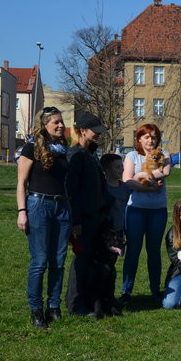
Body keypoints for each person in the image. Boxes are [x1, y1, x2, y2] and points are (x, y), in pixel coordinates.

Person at [16, 107, 71, 329]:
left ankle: (54, 307)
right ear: (44, 125)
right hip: (39, 205)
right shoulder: (31, 148)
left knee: (58, 262)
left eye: (61, 122)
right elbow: (21, 183)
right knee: (39, 262)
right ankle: (36, 310)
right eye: (55, 122)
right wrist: (22, 211)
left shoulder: (62, 148)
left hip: (62, 206)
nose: (60, 125)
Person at [65, 112, 113, 316]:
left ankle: (91, 300)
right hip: (82, 219)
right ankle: (75, 306)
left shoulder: (90, 154)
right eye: (96, 131)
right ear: (82, 131)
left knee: (91, 260)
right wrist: (75, 221)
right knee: (81, 261)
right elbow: (71, 191)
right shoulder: (75, 155)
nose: (99, 135)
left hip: (95, 217)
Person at [120, 124, 171, 306]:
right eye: (147, 137)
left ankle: (155, 291)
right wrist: (144, 182)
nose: (150, 140)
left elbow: (165, 172)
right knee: (133, 251)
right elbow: (126, 181)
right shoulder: (131, 156)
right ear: (139, 139)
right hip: (135, 209)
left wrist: (139, 176)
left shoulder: (164, 155)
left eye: (154, 137)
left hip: (157, 210)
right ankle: (126, 291)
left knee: (154, 252)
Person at [100, 153, 131, 247]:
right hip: (104, 229)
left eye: (122, 166)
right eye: (117, 167)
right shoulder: (102, 187)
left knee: (116, 255)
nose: (121, 169)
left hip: (120, 228)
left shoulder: (125, 187)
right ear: (108, 171)